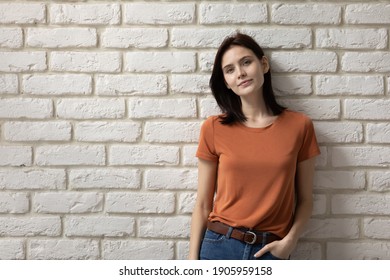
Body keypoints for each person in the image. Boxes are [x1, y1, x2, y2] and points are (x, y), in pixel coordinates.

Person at [188, 33, 321, 260]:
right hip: (219, 246)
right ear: (226, 82)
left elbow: (306, 199)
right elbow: (202, 203)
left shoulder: (300, 126)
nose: (240, 73)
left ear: (264, 64)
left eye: (246, 62)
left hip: (270, 251)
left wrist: (290, 241)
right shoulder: (213, 128)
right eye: (229, 70)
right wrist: (192, 262)